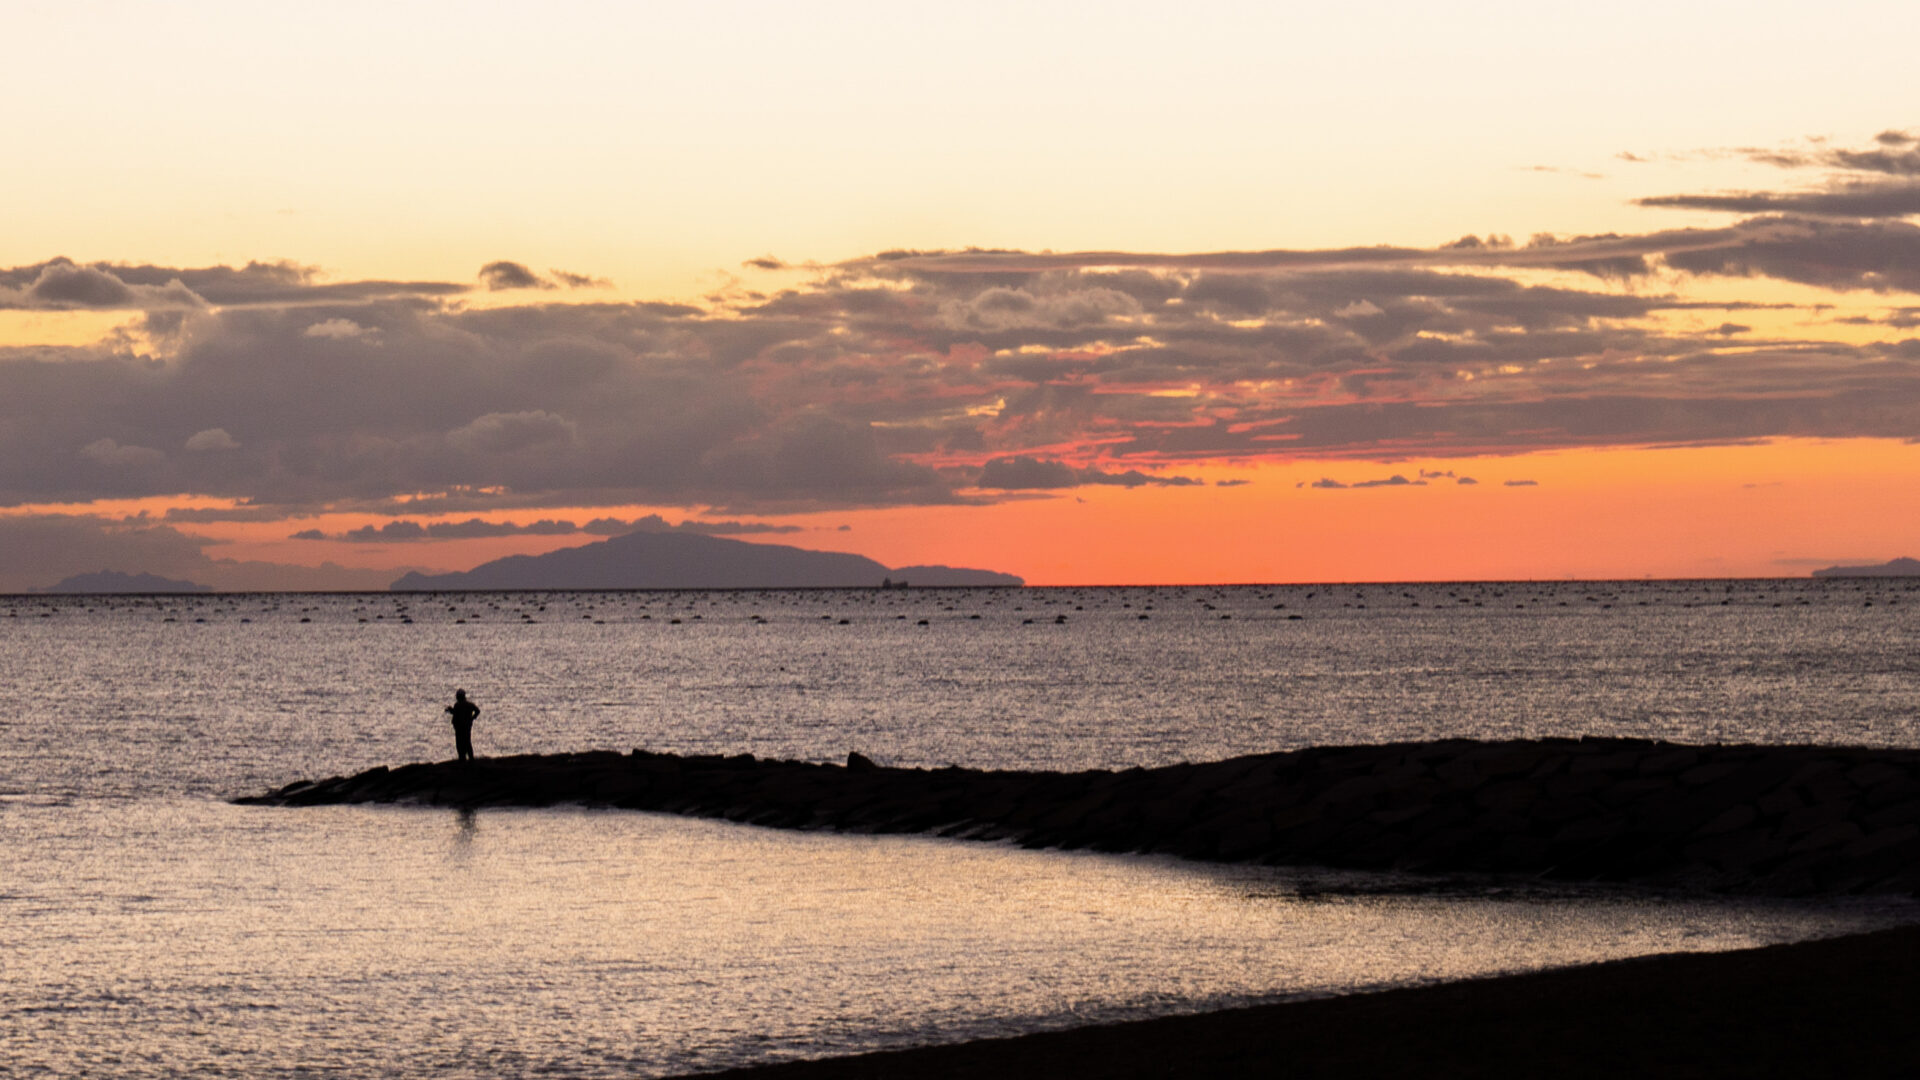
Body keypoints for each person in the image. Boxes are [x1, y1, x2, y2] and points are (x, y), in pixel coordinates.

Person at [446, 689, 480, 762]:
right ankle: (471, 759)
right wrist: (472, 718)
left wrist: (450, 710)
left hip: (459, 728)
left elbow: (455, 714)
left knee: (460, 744)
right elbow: (477, 711)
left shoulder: (457, 705)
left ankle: (462, 759)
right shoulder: (470, 705)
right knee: (467, 742)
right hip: (467, 727)